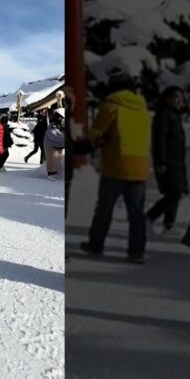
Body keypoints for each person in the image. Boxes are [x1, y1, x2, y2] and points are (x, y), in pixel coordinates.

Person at [80, 69, 152, 263]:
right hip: (139, 166)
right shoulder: (142, 108)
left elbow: (95, 133)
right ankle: (136, 251)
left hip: (116, 164)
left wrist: (99, 140)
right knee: (136, 213)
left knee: (105, 208)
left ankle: (96, 245)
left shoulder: (111, 106)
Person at [145, 87, 188, 236]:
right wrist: (161, 162)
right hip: (168, 161)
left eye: (180, 97)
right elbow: (159, 140)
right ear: (167, 99)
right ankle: (149, 217)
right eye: (176, 97)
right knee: (173, 194)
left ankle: (169, 224)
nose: (179, 100)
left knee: (175, 193)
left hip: (176, 160)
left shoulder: (174, 115)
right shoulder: (164, 115)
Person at [43, 110, 65, 179]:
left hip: (57, 147)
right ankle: (51, 174)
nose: (61, 121)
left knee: (57, 161)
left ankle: (55, 173)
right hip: (51, 147)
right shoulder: (52, 127)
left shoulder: (58, 127)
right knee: (52, 161)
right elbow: (56, 136)